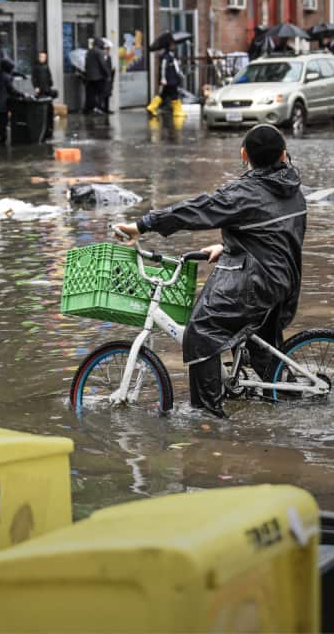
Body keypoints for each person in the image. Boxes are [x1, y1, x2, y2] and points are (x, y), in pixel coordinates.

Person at [114, 124, 305, 418]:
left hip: (258, 281)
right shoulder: (293, 189)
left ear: (244, 155)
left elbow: (197, 209)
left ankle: (207, 416)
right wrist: (227, 245)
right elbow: (273, 232)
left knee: (202, 330)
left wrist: (143, 224)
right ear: (283, 155)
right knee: (261, 346)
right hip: (284, 280)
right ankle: (285, 398)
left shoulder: (245, 192)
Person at [0, 58, 28, 145]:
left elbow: (8, 73)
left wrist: (20, 74)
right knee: (2, 123)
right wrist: (23, 94)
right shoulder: (7, 77)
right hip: (2, 105)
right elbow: (12, 90)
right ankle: (2, 140)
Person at [145, 39, 184, 119]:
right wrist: (163, 78)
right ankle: (177, 111)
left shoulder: (173, 56)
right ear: (168, 47)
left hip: (172, 79)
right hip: (169, 80)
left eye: (174, 45)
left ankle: (152, 107)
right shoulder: (166, 56)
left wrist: (180, 73)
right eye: (172, 45)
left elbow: (176, 68)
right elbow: (163, 67)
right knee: (174, 94)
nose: (174, 46)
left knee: (164, 95)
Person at [83, 40, 111, 114]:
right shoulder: (99, 52)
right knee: (101, 93)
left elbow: (86, 65)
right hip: (98, 77)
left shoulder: (89, 52)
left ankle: (88, 109)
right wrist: (107, 74)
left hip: (89, 77)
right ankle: (98, 107)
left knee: (90, 94)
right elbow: (103, 64)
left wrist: (87, 73)